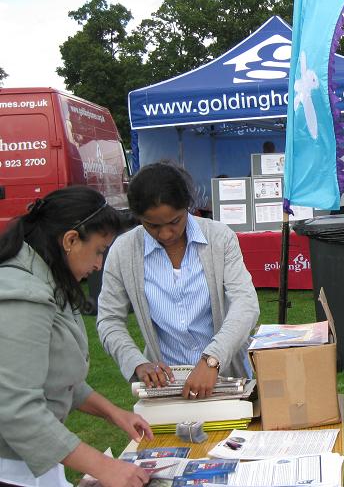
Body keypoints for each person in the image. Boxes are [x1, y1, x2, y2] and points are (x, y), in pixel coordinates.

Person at [0, 186, 153, 487]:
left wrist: (114, 413)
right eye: (98, 251)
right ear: (70, 239)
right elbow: (16, 407)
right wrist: (104, 467)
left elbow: (57, 377)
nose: (99, 264)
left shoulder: (47, 277)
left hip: (33, 461)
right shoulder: (23, 294)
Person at [97, 163, 259, 398]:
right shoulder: (124, 250)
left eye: (174, 221)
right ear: (138, 217)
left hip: (227, 377)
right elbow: (109, 320)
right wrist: (137, 363)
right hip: (166, 385)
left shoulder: (219, 237)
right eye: (152, 225)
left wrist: (212, 359)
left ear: (187, 207)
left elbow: (245, 304)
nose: (165, 234)